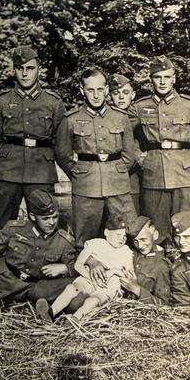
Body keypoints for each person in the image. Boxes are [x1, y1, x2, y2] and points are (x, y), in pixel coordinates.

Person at [0, 43, 65, 235]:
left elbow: (60, 139)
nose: (25, 74)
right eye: (20, 69)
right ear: (14, 70)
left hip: (41, 172)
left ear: (39, 70)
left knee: (47, 225)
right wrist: (7, 155)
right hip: (8, 172)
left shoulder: (53, 102)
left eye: (30, 68)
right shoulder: (2, 100)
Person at [128, 54, 190, 242]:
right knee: (157, 229)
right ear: (151, 79)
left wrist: (182, 154)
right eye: (157, 77)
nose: (162, 82)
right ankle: (161, 268)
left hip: (185, 175)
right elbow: (126, 137)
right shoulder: (140, 106)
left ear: (174, 79)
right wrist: (139, 156)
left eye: (166, 77)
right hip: (153, 173)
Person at [55, 66, 136, 249]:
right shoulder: (71, 119)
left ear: (107, 90)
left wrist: (117, 170)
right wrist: (79, 172)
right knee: (85, 238)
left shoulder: (120, 117)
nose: (96, 95)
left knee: (126, 232)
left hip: (117, 184)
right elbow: (62, 154)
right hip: (86, 186)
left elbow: (129, 155)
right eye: (91, 90)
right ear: (82, 90)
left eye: (100, 89)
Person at [0, 189, 75, 318]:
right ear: (33, 216)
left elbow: (77, 268)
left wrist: (66, 268)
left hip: (21, 288)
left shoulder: (63, 241)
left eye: (55, 217)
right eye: (46, 218)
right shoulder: (14, 229)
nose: (52, 222)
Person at [51, 214, 135, 320]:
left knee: (92, 301)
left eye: (124, 236)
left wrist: (114, 271)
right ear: (107, 232)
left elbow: (130, 275)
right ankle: (50, 313)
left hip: (108, 286)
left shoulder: (126, 251)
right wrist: (90, 278)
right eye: (118, 235)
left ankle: (74, 320)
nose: (122, 239)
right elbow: (78, 265)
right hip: (89, 278)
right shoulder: (95, 244)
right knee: (71, 288)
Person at [118, 215, 172, 305]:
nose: (140, 246)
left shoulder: (162, 265)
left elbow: (163, 303)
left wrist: (137, 290)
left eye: (143, 239)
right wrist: (93, 261)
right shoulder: (131, 252)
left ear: (155, 235)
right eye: (136, 241)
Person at [108, 72, 141, 215]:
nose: (121, 97)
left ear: (132, 95)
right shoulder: (105, 118)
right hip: (110, 176)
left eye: (125, 92)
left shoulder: (140, 116)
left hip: (135, 177)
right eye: (116, 93)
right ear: (109, 95)